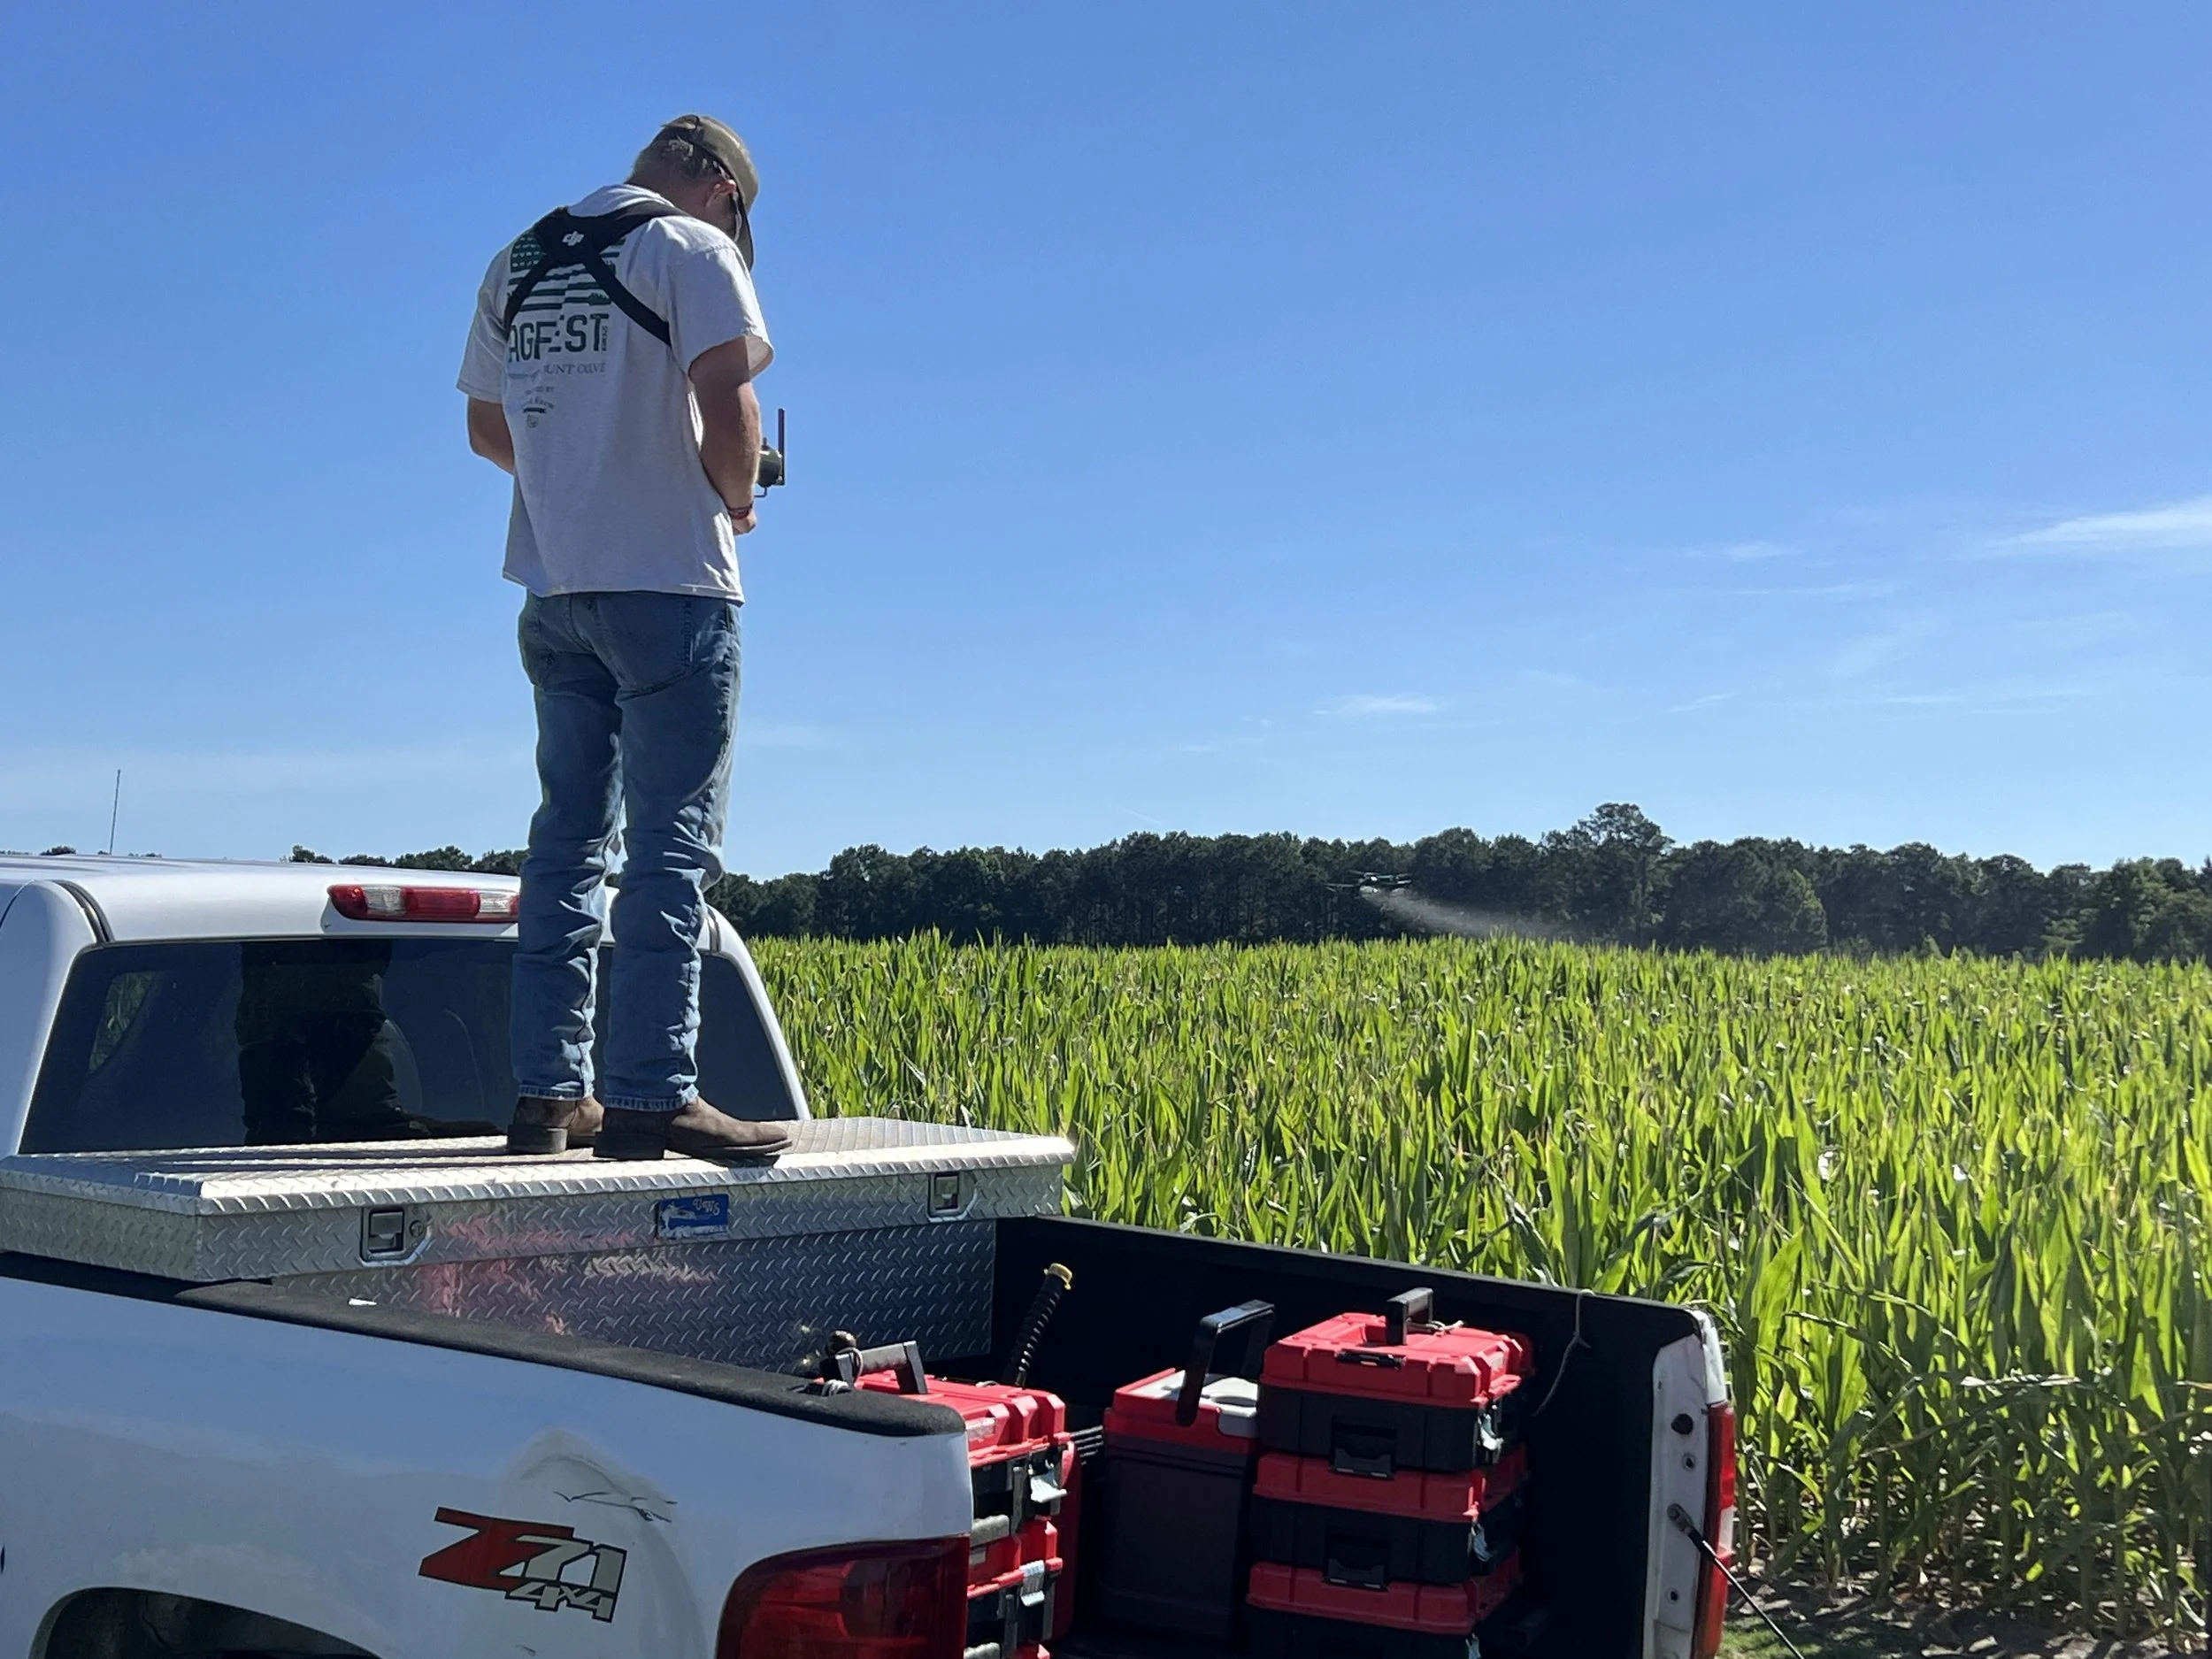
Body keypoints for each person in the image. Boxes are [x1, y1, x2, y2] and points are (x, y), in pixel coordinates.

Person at [457, 115, 791, 1163]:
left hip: (556, 592)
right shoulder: (692, 251)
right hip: (670, 586)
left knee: (564, 845)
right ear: (722, 193)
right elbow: (731, 408)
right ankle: (652, 1091)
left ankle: (550, 1097)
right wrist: (732, 500)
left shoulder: (518, 259)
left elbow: (485, 427)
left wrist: (583, 480)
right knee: (669, 849)